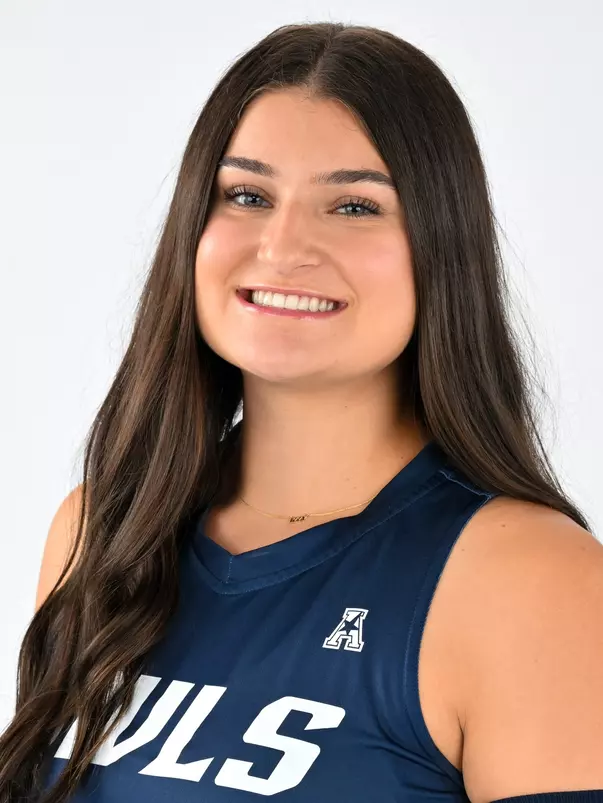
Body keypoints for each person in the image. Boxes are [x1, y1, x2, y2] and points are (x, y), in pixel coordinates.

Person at [1, 20, 602, 803]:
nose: (282, 246)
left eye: (353, 206)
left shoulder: (534, 582)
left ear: (440, 245)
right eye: (246, 195)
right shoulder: (101, 532)